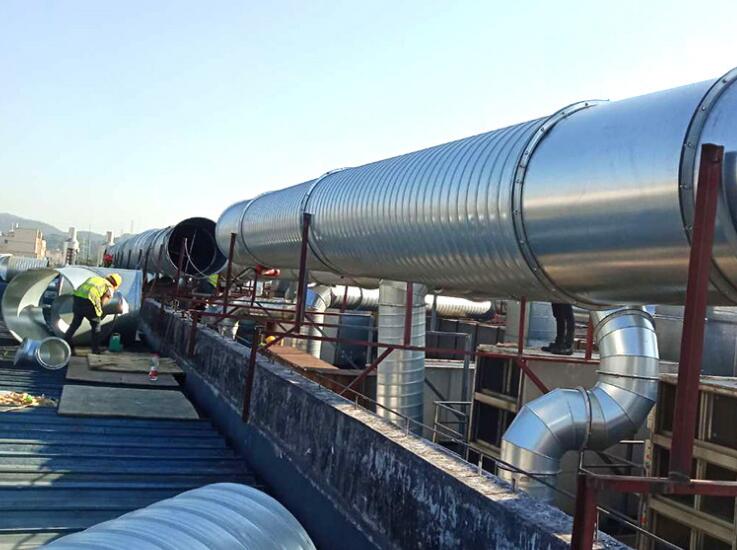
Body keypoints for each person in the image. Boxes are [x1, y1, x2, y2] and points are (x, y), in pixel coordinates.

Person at [64, 273, 122, 355]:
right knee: (96, 328)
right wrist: (100, 313)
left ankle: (65, 344)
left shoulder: (94, 279)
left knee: (74, 325)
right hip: (90, 303)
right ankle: (95, 350)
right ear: (115, 285)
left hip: (77, 300)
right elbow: (103, 302)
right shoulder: (109, 287)